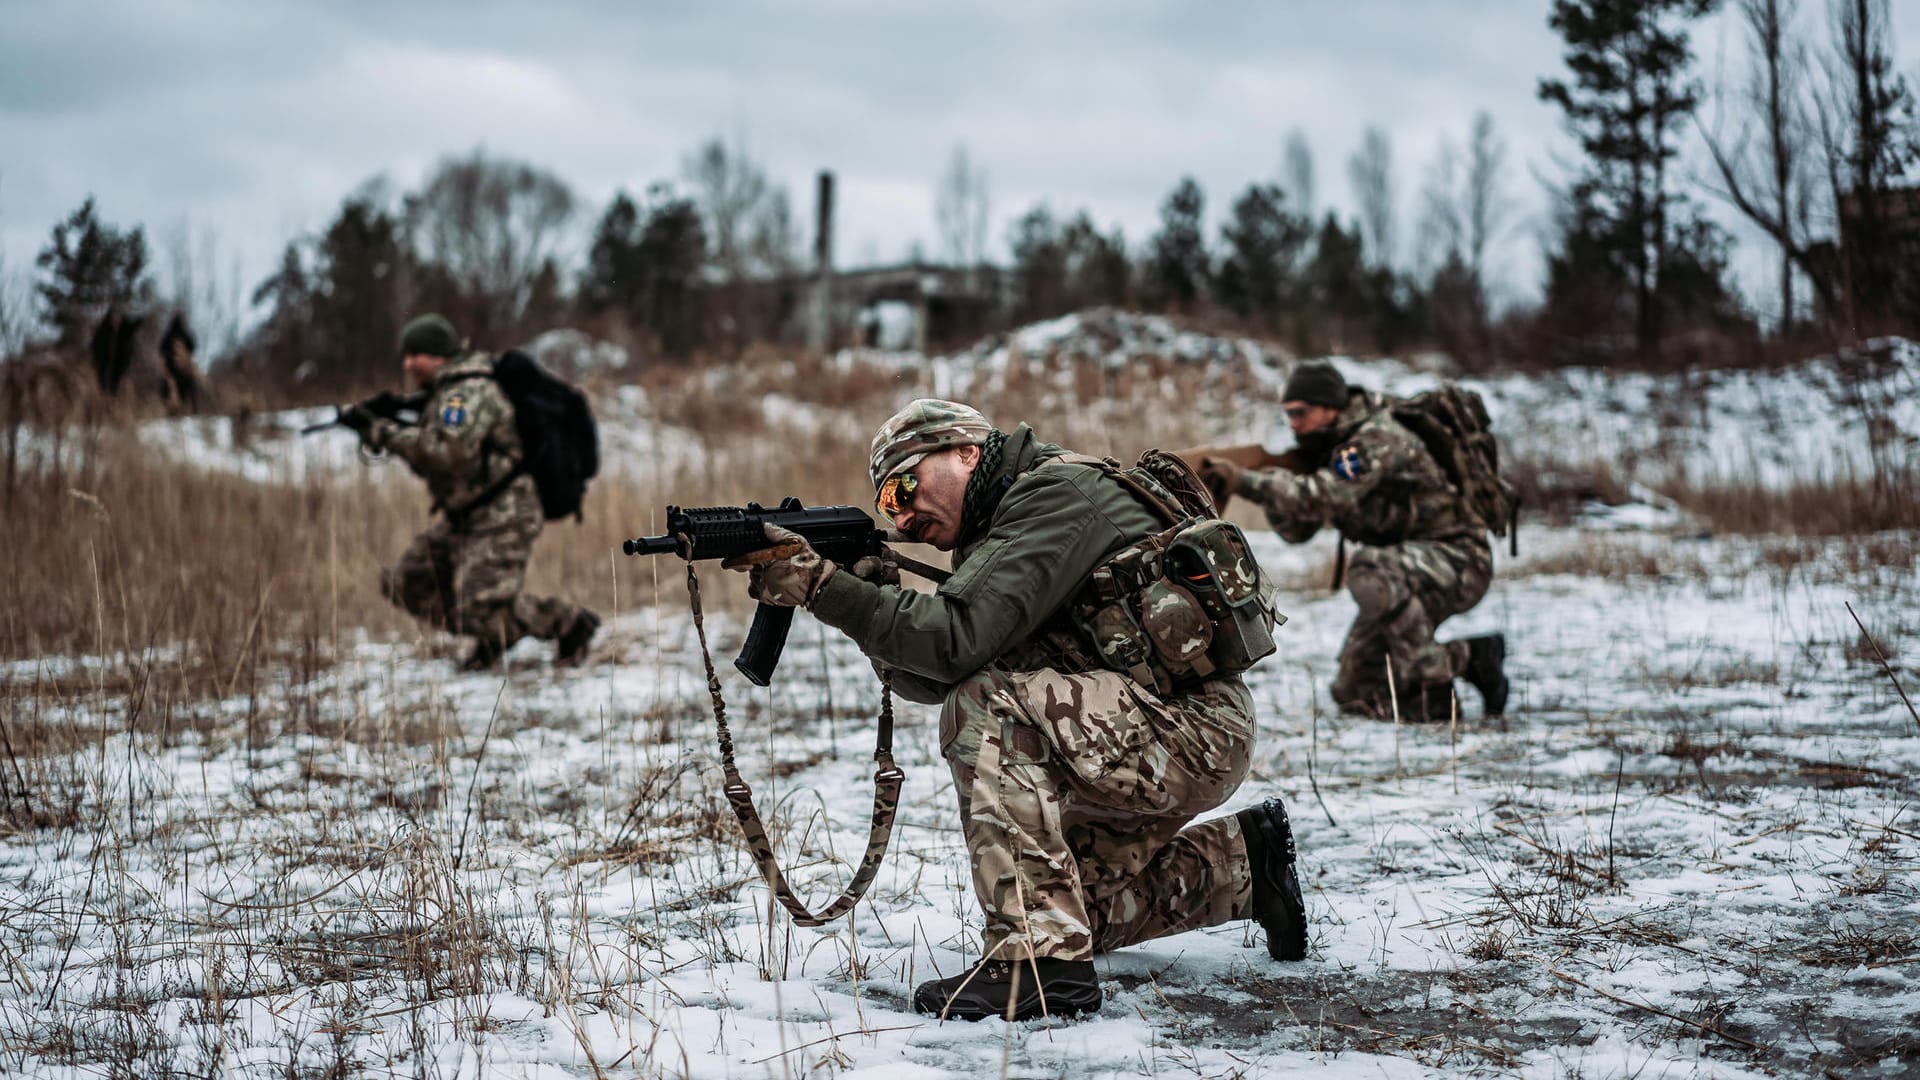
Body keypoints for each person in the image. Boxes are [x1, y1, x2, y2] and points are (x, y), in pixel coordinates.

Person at [732, 399, 1308, 1022]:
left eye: (904, 486)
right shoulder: (1004, 523)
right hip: (1146, 726)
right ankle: (1245, 865)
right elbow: (937, 674)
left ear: (964, 452)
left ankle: (1039, 966)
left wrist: (825, 589)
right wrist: (873, 602)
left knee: (987, 707)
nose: (901, 516)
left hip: (1189, 727)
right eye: (887, 505)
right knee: (1071, 908)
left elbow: (958, 646)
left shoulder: (1056, 496)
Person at [1201, 361, 1507, 722]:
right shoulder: (1328, 447)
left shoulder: (1377, 437)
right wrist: (1276, 489)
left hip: (1459, 560)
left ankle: (1434, 685)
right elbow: (1299, 532)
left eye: (1301, 413)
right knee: (1354, 689)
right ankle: (1473, 657)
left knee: (1367, 567)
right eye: (1288, 415)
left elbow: (1319, 497)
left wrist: (1245, 482)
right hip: (1407, 570)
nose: (1293, 423)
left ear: (1330, 407)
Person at [339, 313, 600, 671]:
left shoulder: (465, 393)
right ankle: (493, 634)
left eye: (416, 354)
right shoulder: (443, 393)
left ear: (439, 354)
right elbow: (433, 459)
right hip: (467, 515)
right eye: (405, 355)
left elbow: (449, 453)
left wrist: (383, 432)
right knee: (407, 582)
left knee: (476, 607)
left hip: (504, 512)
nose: (408, 363)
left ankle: (568, 623)